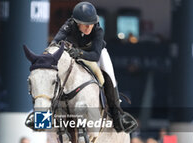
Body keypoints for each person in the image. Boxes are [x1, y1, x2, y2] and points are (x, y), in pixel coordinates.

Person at [50, 1, 137, 133]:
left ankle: (117, 114)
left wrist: (78, 53)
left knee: (110, 76)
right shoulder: (68, 26)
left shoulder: (98, 30)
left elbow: (95, 55)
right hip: (73, 55)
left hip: (95, 55)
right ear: (77, 22)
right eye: (85, 24)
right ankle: (41, 112)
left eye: (91, 23)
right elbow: (54, 43)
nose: (89, 27)